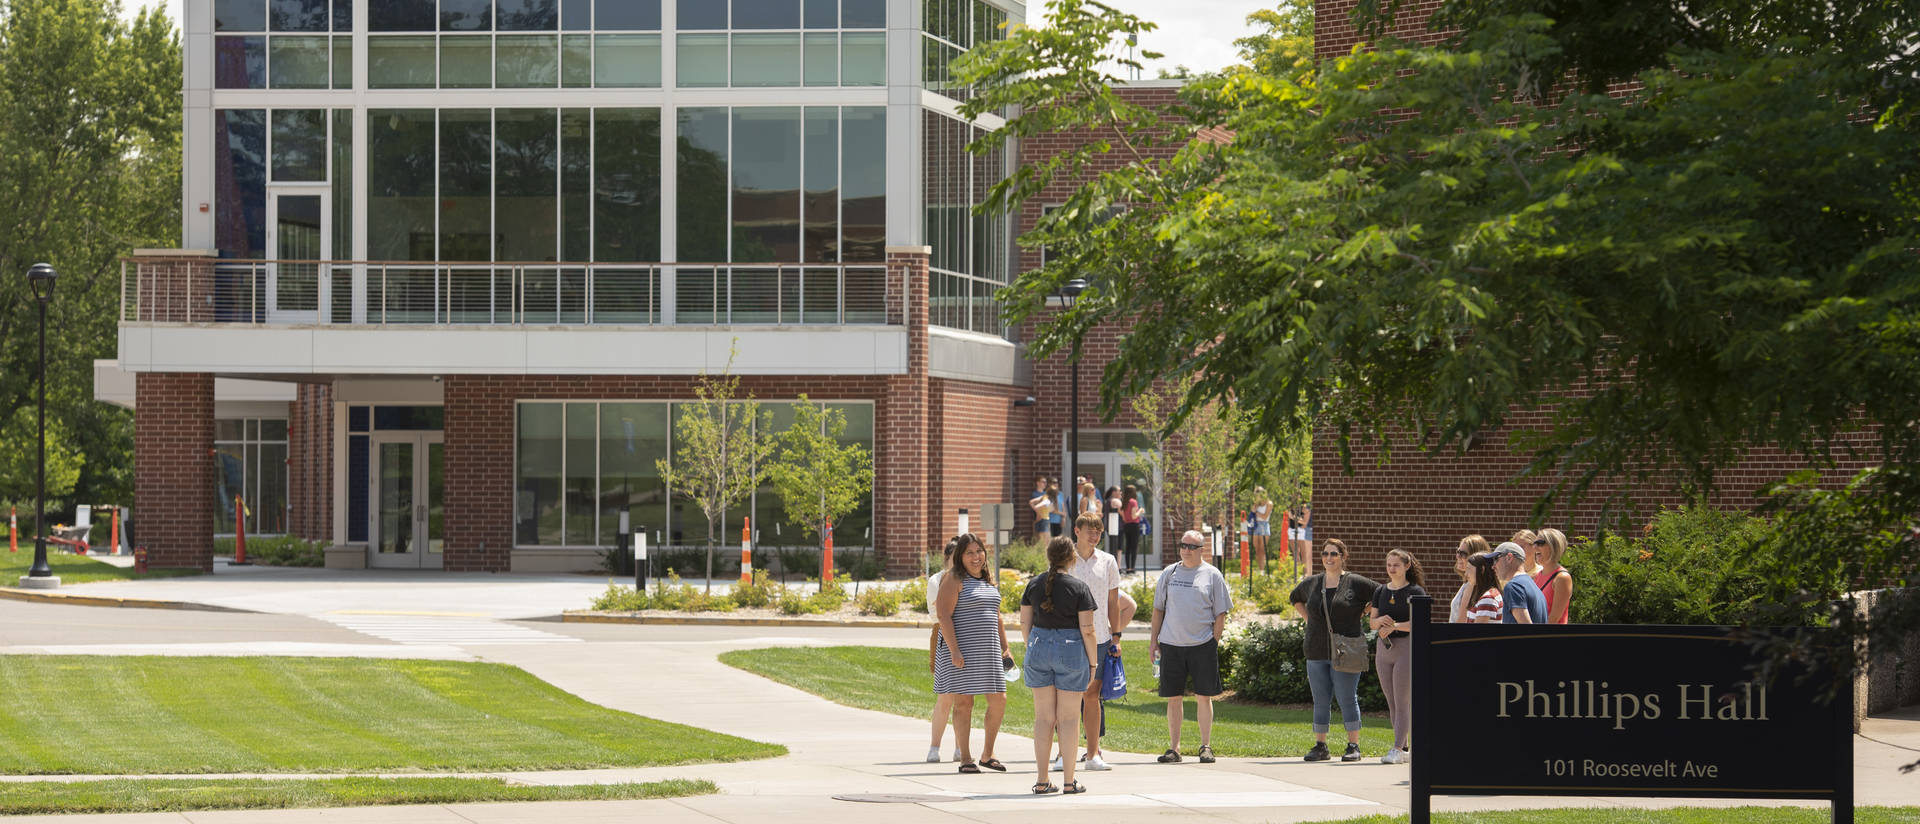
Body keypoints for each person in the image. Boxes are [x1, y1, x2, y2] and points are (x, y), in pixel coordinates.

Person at [1020, 536, 1098, 795]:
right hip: (1071, 649)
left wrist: (1034, 645)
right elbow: (1088, 630)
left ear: (1049, 556)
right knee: (1069, 718)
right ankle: (1068, 781)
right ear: (1071, 557)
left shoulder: (1033, 584)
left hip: (1039, 645)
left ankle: (1042, 780)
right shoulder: (1079, 587)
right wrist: (1093, 663)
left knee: (1043, 718)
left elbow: (1024, 623)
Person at [1289, 538, 1378, 762]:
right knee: (1320, 699)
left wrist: (1366, 611)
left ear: (1343, 557)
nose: (1329, 558)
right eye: (1326, 554)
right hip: (1316, 649)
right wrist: (1309, 619)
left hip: (1346, 648)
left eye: (1334, 554)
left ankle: (1353, 746)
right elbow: (1295, 597)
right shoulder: (1313, 583)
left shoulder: (1355, 582)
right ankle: (1321, 746)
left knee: (1347, 697)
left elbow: (1381, 594)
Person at [1150, 530, 1232, 764]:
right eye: (1183, 545)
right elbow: (1158, 610)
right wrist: (1153, 641)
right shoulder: (1169, 572)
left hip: (1201, 646)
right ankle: (1174, 749)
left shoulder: (1212, 575)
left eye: (1191, 546)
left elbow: (1221, 613)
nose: (1186, 550)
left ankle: (1205, 746)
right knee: (1173, 698)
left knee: (1203, 697)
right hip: (1171, 645)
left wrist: (1212, 642)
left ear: (1201, 550)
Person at [934, 533, 1011, 773]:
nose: (976, 557)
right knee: (964, 703)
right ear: (960, 556)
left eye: (979, 551)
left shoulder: (987, 580)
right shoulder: (953, 578)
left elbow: (997, 616)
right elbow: (943, 616)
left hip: (988, 650)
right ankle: (965, 758)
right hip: (961, 650)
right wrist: (955, 650)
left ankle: (987, 754)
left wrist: (1005, 648)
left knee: (999, 700)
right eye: (970, 552)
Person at [1059, 510, 1125, 771]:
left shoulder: (1108, 561)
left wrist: (1116, 636)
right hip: (1068, 635)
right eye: (1090, 530)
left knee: (1092, 694)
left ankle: (1092, 755)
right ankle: (1063, 753)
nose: (1095, 535)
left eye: (1098, 531)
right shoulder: (1065, 560)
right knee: (1067, 696)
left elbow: (1113, 602)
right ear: (1077, 531)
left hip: (1099, 635)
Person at [1367, 549, 1426, 765]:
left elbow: (1420, 623)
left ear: (1406, 566)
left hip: (1406, 647)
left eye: (1396, 565)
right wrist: (1381, 621)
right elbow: (1372, 622)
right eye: (1389, 565)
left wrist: (1395, 626)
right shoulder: (1381, 591)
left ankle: (1397, 748)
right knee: (1391, 701)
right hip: (1384, 650)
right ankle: (1404, 746)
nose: (1392, 569)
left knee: (1402, 701)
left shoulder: (1415, 591)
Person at [926, 538, 960, 763]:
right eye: (956, 556)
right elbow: (935, 614)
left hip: (967, 638)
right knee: (945, 697)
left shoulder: (971, 579)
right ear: (947, 558)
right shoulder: (936, 580)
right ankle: (934, 747)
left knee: (964, 698)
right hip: (944, 638)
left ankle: (960, 747)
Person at [1484, 542, 1547, 624]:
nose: (1493, 566)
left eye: (1496, 559)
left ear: (1509, 558)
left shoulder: (1514, 586)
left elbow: (1527, 628)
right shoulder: (1531, 585)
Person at [1531, 528, 1573, 624]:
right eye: (1534, 543)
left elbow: (1554, 619)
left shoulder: (1562, 578)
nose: (1535, 547)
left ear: (1553, 546)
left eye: (1540, 543)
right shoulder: (1536, 576)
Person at [1450, 535, 1491, 623]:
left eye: (1463, 554)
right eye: (1458, 551)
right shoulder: (1469, 583)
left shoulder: (1472, 585)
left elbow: (1462, 620)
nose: (1458, 556)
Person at [1468, 552, 1504, 623]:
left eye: (1469, 569)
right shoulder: (1486, 595)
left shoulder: (1488, 598)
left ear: (1482, 569)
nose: (1466, 574)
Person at [1120, 484, 1145, 574]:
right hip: (1134, 525)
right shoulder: (1133, 502)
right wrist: (1140, 511)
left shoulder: (1124, 502)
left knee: (1128, 547)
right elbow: (1134, 516)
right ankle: (1132, 568)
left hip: (1126, 525)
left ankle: (1128, 568)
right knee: (1134, 547)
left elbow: (1124, 517)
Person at [1248, 487, 1273, 571]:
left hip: (1264, 526)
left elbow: (1265, 516)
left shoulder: (1269, 503)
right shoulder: (1256, 503)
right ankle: (1260, 569)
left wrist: (1256, 512)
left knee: (1262, 549)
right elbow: (1252, 513)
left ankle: (1262, 570)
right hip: (1256, 525)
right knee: (1257, 549)